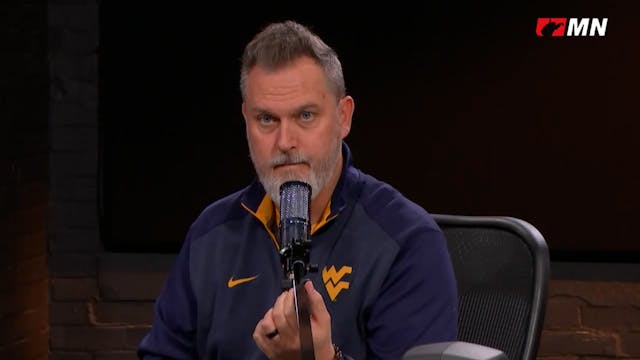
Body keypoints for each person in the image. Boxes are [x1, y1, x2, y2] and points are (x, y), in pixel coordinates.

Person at [138, 20, 458, 360]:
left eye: (305, 116)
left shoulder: (407, 240)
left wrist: (321, 358)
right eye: (266, 120)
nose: (285, 142)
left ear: (343, 117)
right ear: (246, 120)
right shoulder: (211, 232)